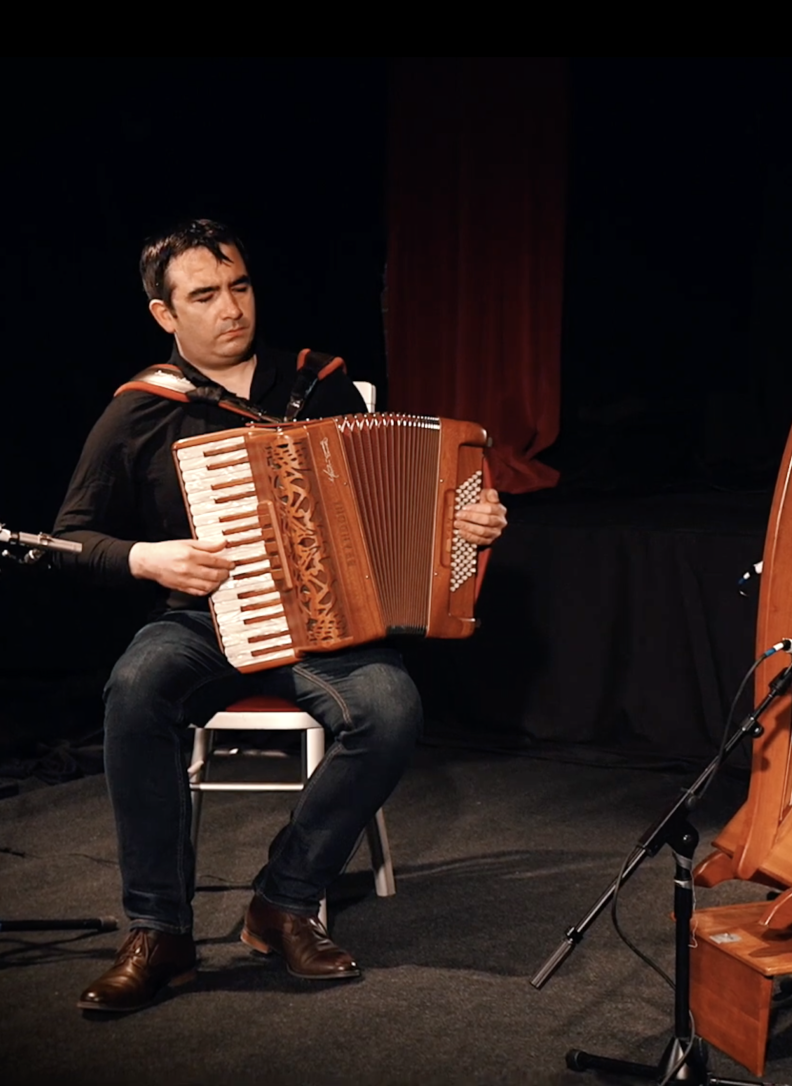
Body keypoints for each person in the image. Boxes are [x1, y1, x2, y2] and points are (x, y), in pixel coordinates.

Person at [56, 219, 508, 1014]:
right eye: (205, 296)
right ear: (165, 315)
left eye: (239, 287)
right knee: (135, 688)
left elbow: (390, 501)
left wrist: (463, 524)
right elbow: (71, 537)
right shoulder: (140, 409)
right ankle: (159, 930)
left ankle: (284, 900)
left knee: (391, 708)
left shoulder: (315, 379)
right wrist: (146, 557)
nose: (231, 308)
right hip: (203, 617)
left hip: (332, 623)